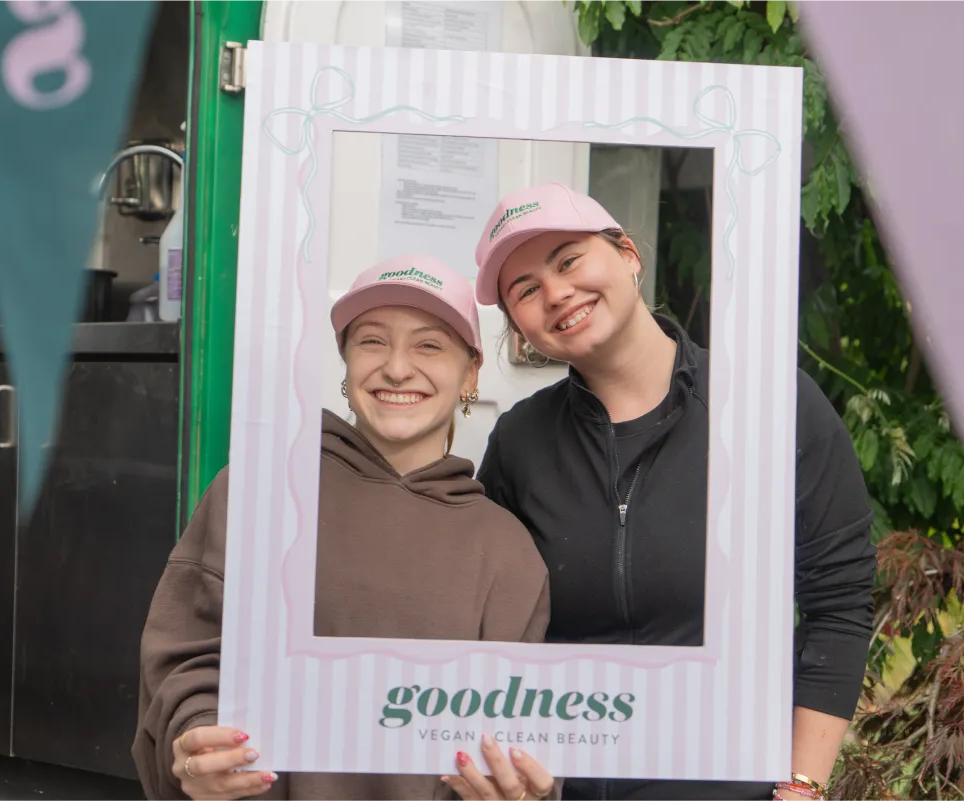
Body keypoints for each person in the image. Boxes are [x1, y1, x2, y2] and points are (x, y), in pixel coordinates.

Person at [472, 184, 877, 801]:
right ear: (519, 326)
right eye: (524, 289)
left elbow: (839, 604)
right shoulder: (517, 442)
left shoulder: (771, 405)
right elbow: (485, 625)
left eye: (569, 260)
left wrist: (801, 784)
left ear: (629, 255)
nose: (555, 293)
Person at [133, 254, 558, 801]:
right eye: (372, 341)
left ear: (470, 373)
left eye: (429, 345)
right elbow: (187, 659)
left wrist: (519, 786)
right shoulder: (259, 493)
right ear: (346, 362)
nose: (398, 368)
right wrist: (198, 740)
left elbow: (521, 725)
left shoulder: (507, 550)